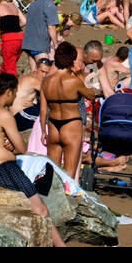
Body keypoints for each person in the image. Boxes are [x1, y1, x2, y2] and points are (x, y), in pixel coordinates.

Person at [0, 72, 65, 247]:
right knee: (40, 209)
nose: (16, 96)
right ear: (9, 92)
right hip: (6, 169)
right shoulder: (3, 114)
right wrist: (14, 145)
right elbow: (22, 148)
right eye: (15, 93)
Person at [41, 42, 95, 180]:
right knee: (69, 176)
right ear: (71, 60)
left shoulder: (46, 81)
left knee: (52, 174)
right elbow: (91, 96)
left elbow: (43, 108)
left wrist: (42, 130)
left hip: (52, 125)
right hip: (71, 125)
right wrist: (80, 74)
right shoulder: (73, 81)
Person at [22, 0, 59, 64]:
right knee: (43, 71)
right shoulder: (49, 4)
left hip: (28, 42)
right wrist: (56, 44)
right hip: (39, 44)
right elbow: (51, 27)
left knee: (35, 72)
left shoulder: (34, 3)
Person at [0, 0, 25, 76]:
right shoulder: (13, 6)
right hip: (21, 38)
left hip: (9, 40)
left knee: (10, 68)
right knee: (8, 63)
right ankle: (0, 81)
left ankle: (14, 87)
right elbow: (24, 21)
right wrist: (14, 27)